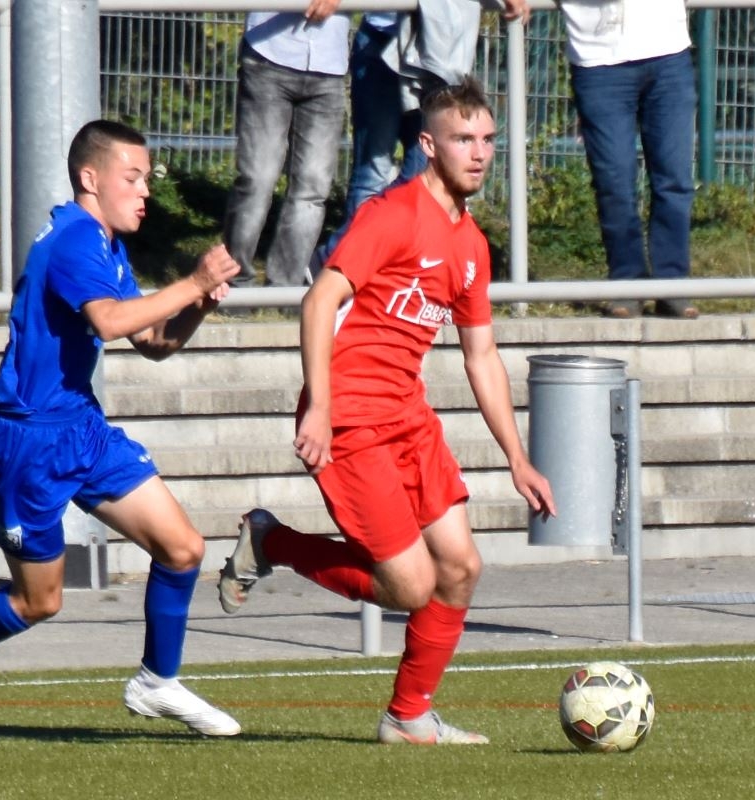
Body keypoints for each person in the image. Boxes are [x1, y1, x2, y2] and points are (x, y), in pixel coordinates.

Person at [219, 79, 556, 745]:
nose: (479, 153)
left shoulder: (471, 245)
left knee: (460, 568)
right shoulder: (393, 215)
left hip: (407, 417)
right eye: (463, 139)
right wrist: (319, 406)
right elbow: (319, 301)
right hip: (349, 417)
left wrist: (518, 459)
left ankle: (407, 717)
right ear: (429, 145)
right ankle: (271, 542)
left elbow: (482, 356)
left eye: (488, 139)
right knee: (409, 587)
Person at [0, 120, 242, 739]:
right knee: (40, 600)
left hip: (79, 425)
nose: (145, 192)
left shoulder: (105, 244)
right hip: (23, 442)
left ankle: (157, 681)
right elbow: (108, 322)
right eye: (133, 178)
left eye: (147, 179)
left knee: (183, 548)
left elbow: (150, 341)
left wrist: (196, 308)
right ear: (90, 178)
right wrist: (192, 281)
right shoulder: (75, 238)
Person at [309, 0, 530, 281]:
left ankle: (356, 261)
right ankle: (343, 268)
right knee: (373, 172)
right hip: (382, 38)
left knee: (424, 173)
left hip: (433, 47)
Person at [558, 0, 699, 318]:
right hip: (597, 58)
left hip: (668, 52)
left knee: (674, 178)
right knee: (615, 182)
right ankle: (626, 282)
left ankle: (672, 284)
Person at [222, 1, 349, 290]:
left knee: (313, 190)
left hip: (329, 65)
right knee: (257, 180)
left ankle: (285, 289)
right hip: (268, 54)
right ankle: (235, 283)